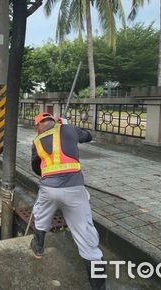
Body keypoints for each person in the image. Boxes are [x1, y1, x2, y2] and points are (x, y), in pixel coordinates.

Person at [29, 112, 105, 290]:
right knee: (86, 235)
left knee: (40, 216)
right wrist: (69, 127)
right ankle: (99, 286)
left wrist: (48, 173)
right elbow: (88, 136)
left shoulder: (37, 141)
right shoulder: (69, 129)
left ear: (38, 126)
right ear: (54, 122)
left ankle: (38, 248)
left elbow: (35, 167)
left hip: (48, 189)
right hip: (75, 190)